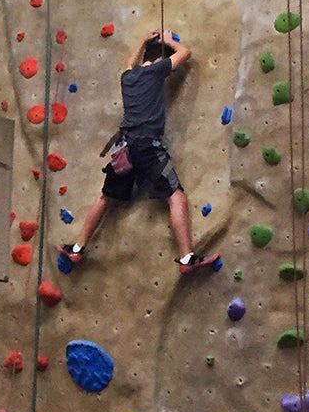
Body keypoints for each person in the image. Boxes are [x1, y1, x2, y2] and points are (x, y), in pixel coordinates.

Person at [60, 29, 212, 273]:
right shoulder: (156, 71)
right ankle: (186, 258)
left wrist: (142, 39)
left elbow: (130, 64)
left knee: (105, 196)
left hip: (125, 147)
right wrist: (168, 41)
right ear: (161, 60)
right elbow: (185, 53)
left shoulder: (129, 78)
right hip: (147, 145)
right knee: (176, 196)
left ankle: (77, 248)